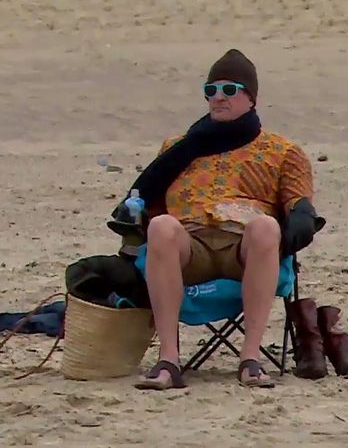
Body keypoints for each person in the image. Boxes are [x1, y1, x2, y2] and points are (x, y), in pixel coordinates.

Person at [111, 49, 325, 390]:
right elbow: (145, 201)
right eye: (211, 91)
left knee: (266, 226)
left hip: (243, 248)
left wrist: (302, 216)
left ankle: (250, 359)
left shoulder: (282, 151)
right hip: (189, 246)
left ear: (251, 97)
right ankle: (168, 361)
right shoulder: (178, 147)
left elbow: (299, 200)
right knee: (161, 227)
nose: (218, 98)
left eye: (229, 89)